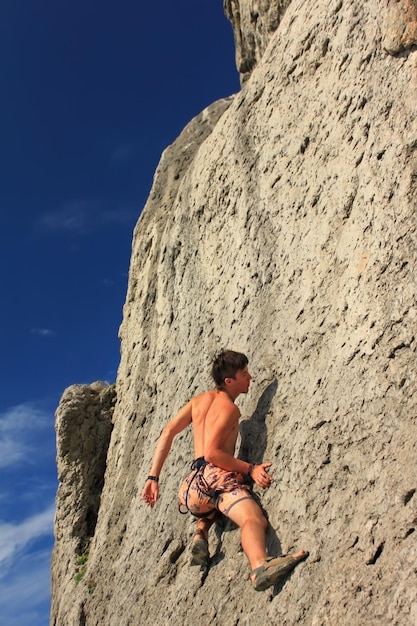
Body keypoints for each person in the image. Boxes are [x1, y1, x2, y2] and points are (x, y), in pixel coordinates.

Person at [141, 350, 308, 590]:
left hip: (192, 488)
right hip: (216, 475)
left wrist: (153, 477)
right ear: (229, 381)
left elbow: (167, 433)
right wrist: (250, 469)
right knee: (252, 518)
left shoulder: (197, 402)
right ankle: (259, 566)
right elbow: (213, 454)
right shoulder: (230, 409)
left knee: (212, 505)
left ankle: (201, 532)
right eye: (244, 374)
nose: (250, 377)